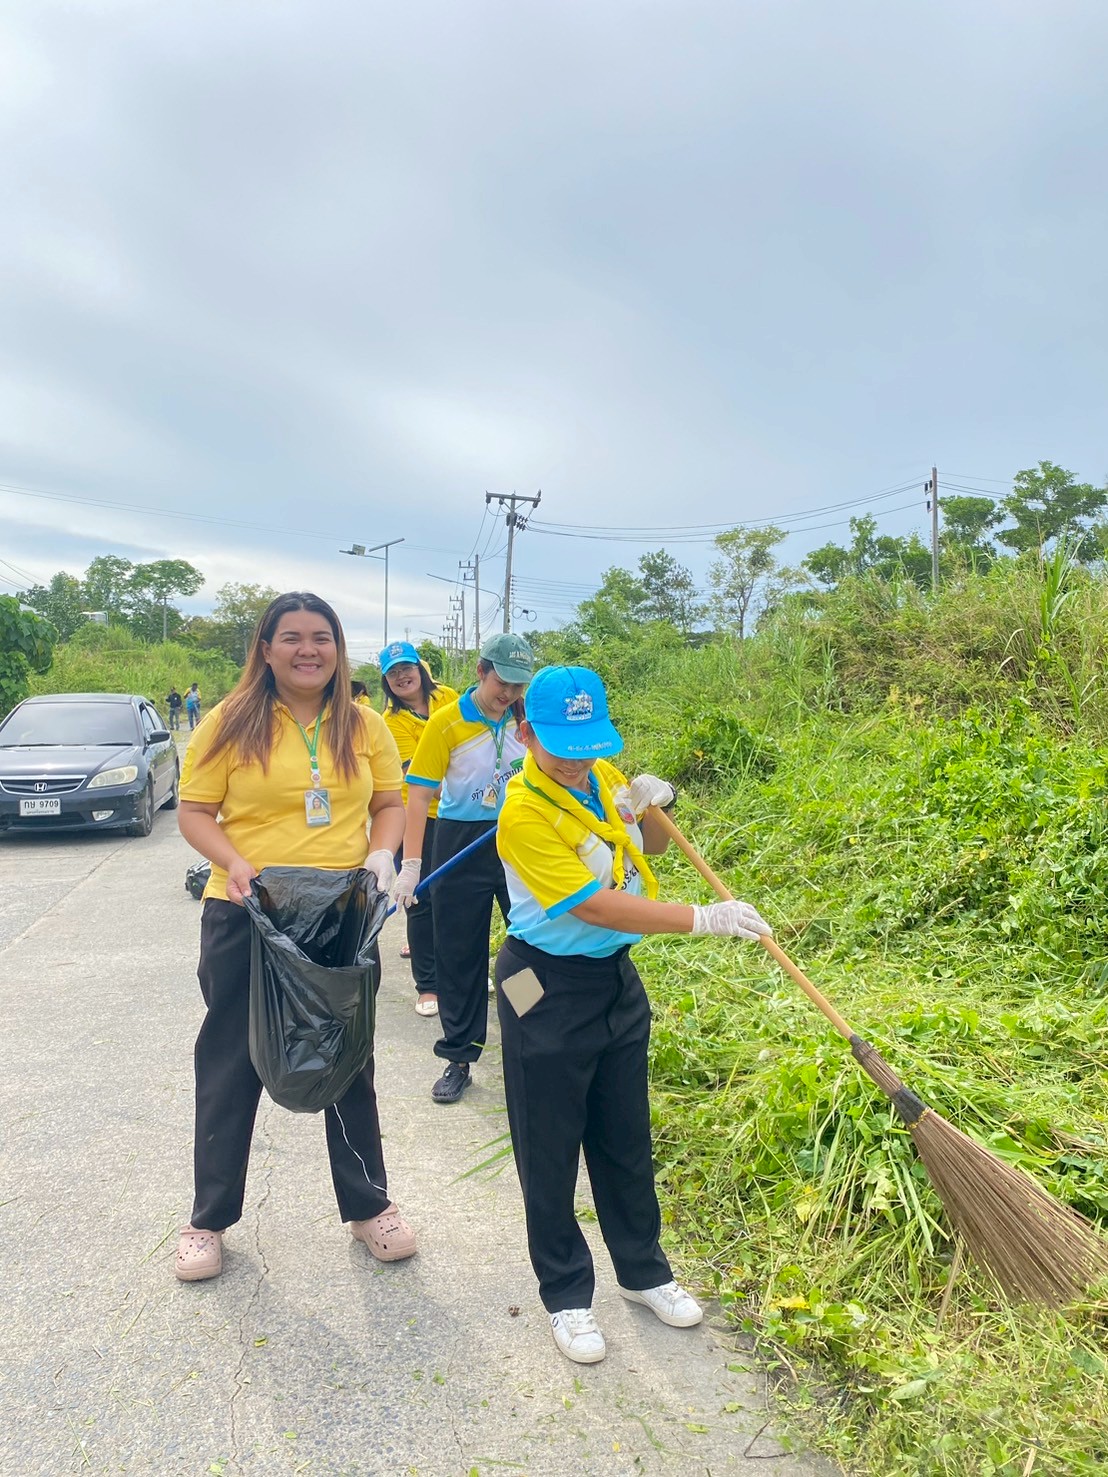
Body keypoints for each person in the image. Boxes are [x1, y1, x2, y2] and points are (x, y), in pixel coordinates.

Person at [493, 665, 772, 1364]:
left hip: (612, 976)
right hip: (536, 980)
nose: (577, 761)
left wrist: (650, 807)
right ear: (526, 734)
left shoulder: (600, 774)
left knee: (624, 1133)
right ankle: (565, 1295)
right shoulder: (522, 813)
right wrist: (701, 918)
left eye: (588, 746)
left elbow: (646, 848)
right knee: (548, 1143)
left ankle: (643, 1271)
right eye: (562, 748)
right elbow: (592, 904)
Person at [175, 591, 414, 1283]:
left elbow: (389, 802)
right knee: (231, 1058)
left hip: (340, 913)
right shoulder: (229, 720)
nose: (308, 650)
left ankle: (370, 1207)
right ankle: (207, 1220)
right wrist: (232, 861)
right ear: (267, 647)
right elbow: (194, 811)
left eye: (321, 637)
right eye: (292, 637)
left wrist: (383, 853)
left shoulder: (364, 724)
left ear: (338, 648)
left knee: (349, 1056)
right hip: (247, 909)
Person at [391, 632, 534, 1103]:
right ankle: (460, 1055)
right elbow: (418, 796)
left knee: (530, 943)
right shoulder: (447, 722)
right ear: (481, 671)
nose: (509, 693)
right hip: (460, 842)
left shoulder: (527, 720)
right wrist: (412, 864)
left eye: (518, 685)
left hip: (518, 840)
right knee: (459, 953)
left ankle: (531, 1036)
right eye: (502, 682)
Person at [377, 641, 459, 1015]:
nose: (402, 677)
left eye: (407, 668)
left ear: (420, 669)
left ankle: (461, 972)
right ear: (386, 681)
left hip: (461, 815)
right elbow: (421, 776)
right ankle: (428, 986)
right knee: (420, 899)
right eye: (393, 673)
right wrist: (473, 787)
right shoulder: (391, 722)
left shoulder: (449, 698)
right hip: (419, 817)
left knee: (459, 899)